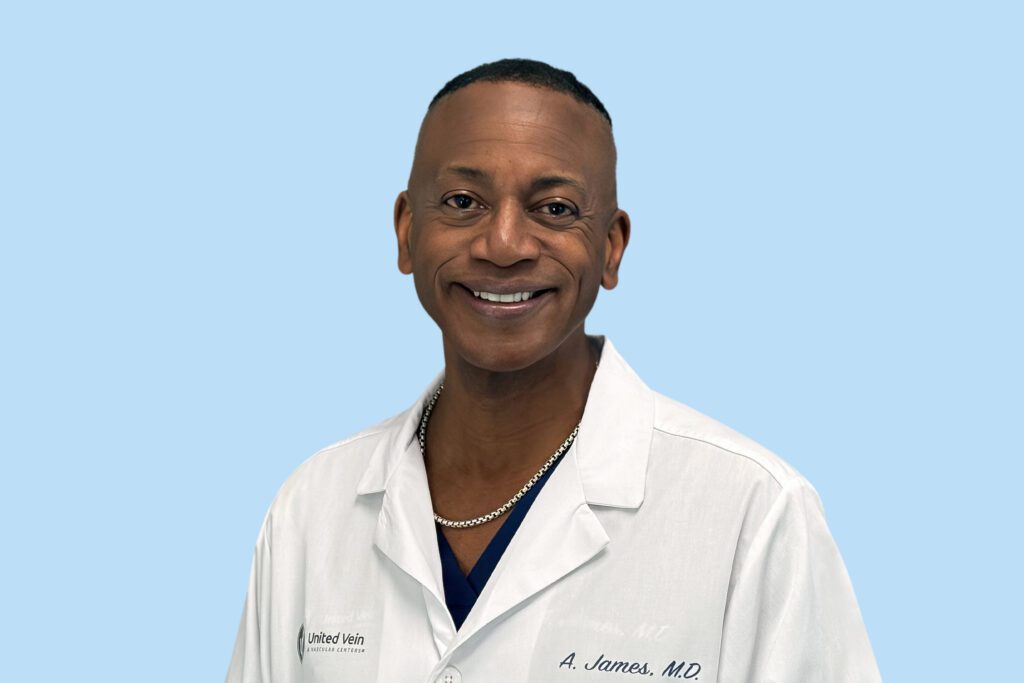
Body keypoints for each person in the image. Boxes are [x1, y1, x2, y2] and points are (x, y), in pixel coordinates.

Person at [226, 58, 882, 682]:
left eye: (555, 208)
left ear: (611, 247)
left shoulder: (754, 514)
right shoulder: (312, 509)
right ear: (406, 230)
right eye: (462, 201)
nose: (504, 244)